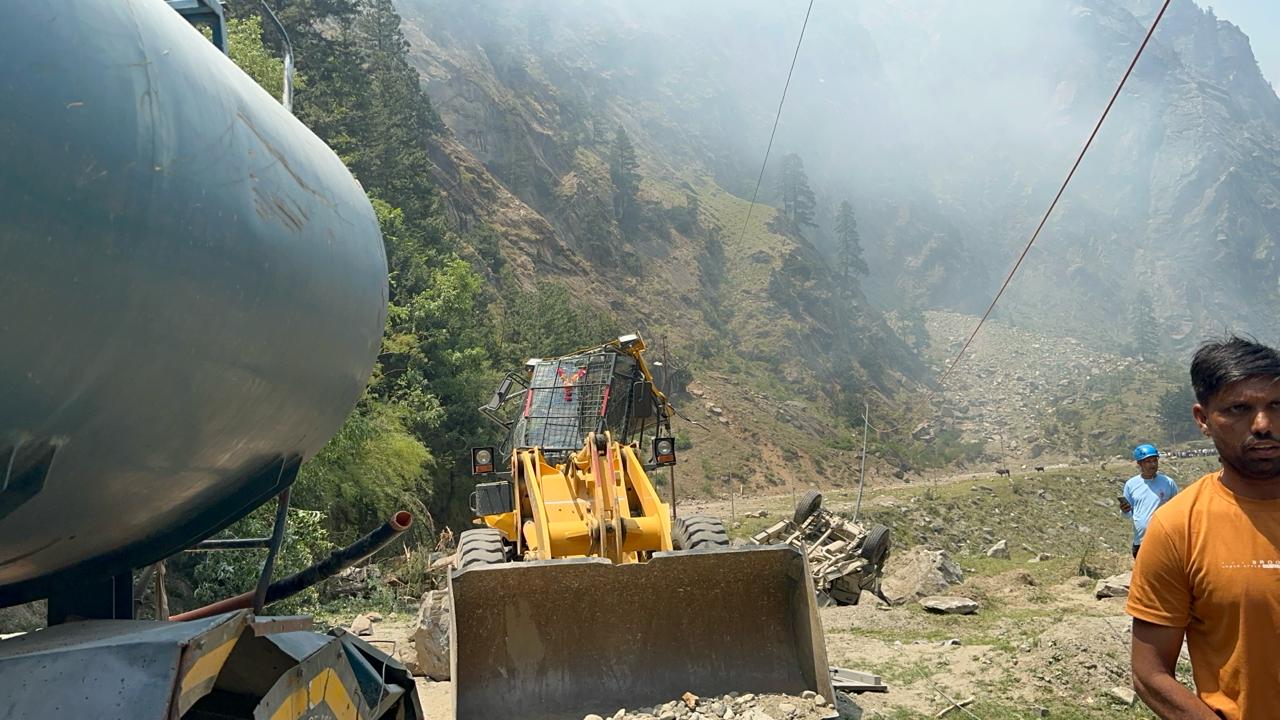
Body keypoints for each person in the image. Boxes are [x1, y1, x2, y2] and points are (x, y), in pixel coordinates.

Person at [1127, 337, 1280, 719]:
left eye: (1277, 405)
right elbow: (1150, 672)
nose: (1263, 424)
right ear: (1203, 419)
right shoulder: (1178, 527)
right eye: (1239, 409)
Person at [1119, 443, 1177, 557]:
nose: (1153, 464)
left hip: (1164, 541)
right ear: (1139, 463)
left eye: (1155, 461)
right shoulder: (1131, 485)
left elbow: (1177, 509)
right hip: (1141, 542)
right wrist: (1125, 510)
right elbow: (1127, 515)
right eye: (1148, 462)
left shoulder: (1168, 482)